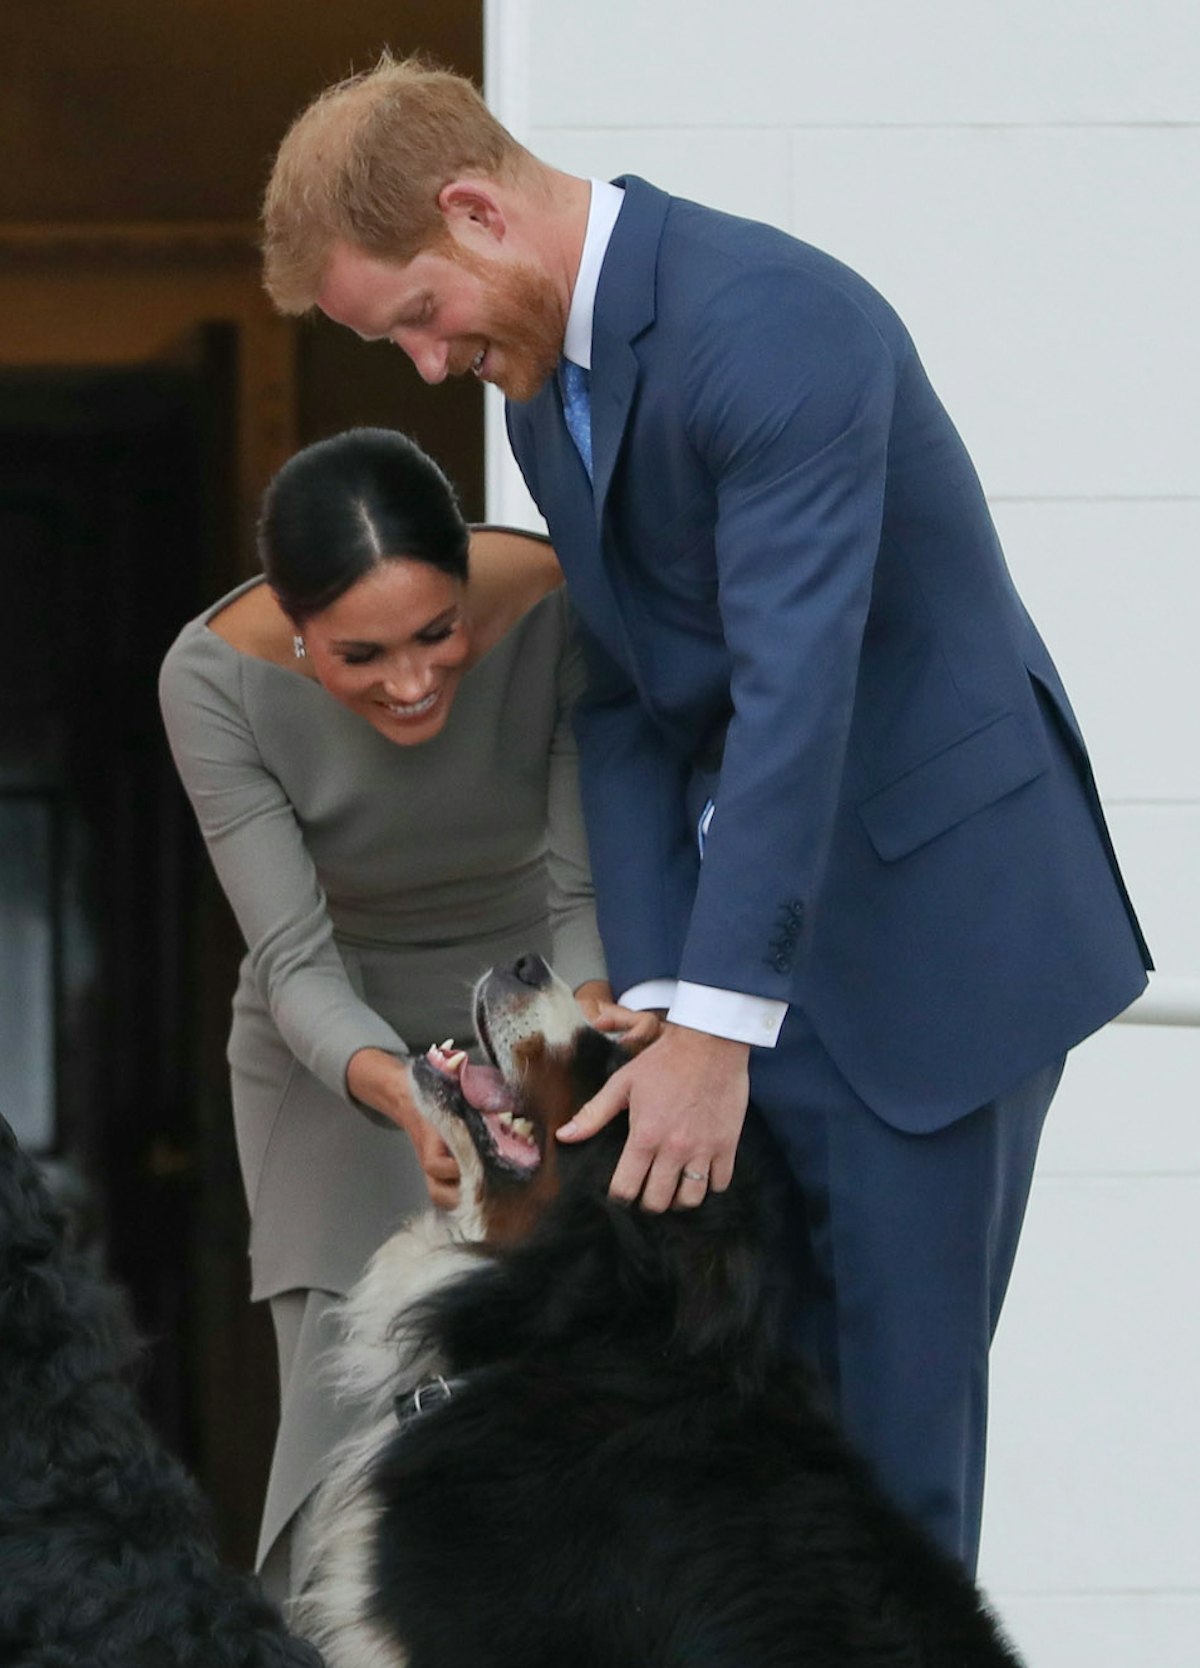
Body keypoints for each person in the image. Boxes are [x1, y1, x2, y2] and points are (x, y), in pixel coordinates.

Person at [257, 57, 1151, 1571]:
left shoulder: (777, 322)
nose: (421, 366)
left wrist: (719, 1031)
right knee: (733, 1442)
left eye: (413, 316)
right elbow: (633, 702)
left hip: (936, 944)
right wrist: (664, 1002)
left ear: (475, 212)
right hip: (745, 966)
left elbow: (800, 692)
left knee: (881, 1473)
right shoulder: (545, 385)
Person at [159, 426, 653, 1599]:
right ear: (292, 624)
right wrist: (411, 1097)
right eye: (362, 655)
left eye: (440, 634)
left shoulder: (558, 604)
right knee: (348, 1441)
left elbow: (582, 891)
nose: (414, 680)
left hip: (536, 1003)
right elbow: (294, 964)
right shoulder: (210, 680)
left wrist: (574, 1042)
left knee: (569, 1399)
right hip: (338, 1052)